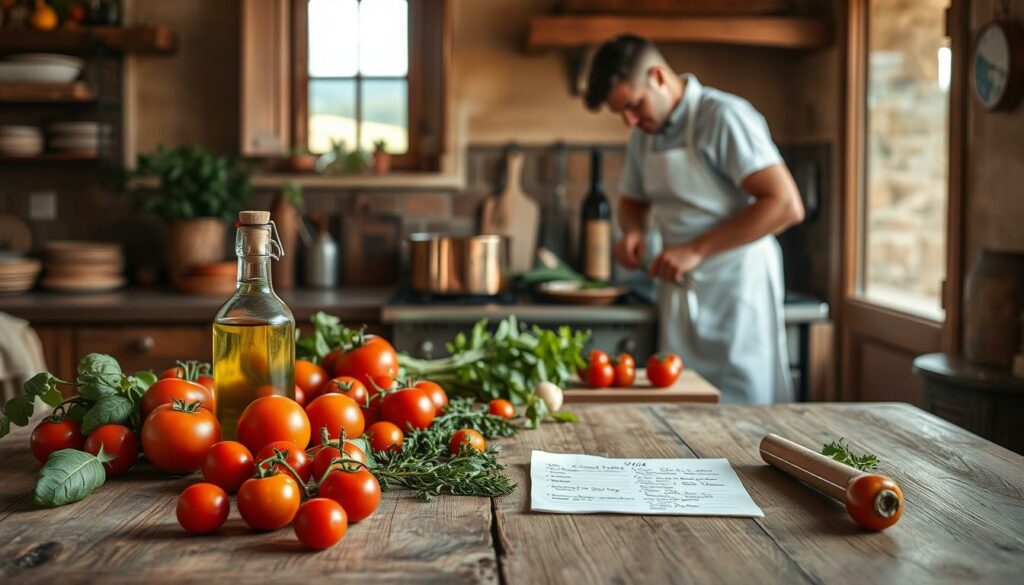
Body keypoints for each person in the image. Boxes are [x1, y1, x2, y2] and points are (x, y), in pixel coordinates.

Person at [584, 35, 805, 404]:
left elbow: (785, 204)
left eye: (634, 106)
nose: (629, 121)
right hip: (680, 288)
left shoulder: (723, 117)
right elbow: (633, 199)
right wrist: (634, 231)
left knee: (744, 404)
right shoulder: (643, 135)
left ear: (658, 76)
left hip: (737, 289)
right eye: (621, 112)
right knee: (681, 401)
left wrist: (695, 250)